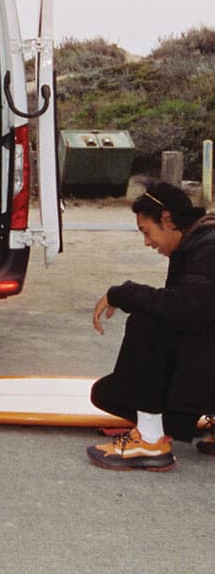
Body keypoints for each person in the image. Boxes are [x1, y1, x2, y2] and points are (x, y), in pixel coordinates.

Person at [86, 181, 215, 472]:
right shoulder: (194, 243)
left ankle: (150, 441)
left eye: (147, 231)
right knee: (108, 395)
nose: (147, 242)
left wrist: (125, 293)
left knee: (148, 323)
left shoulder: (209, 246)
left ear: (167, 219)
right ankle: (187, 420)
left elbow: (185, 310)